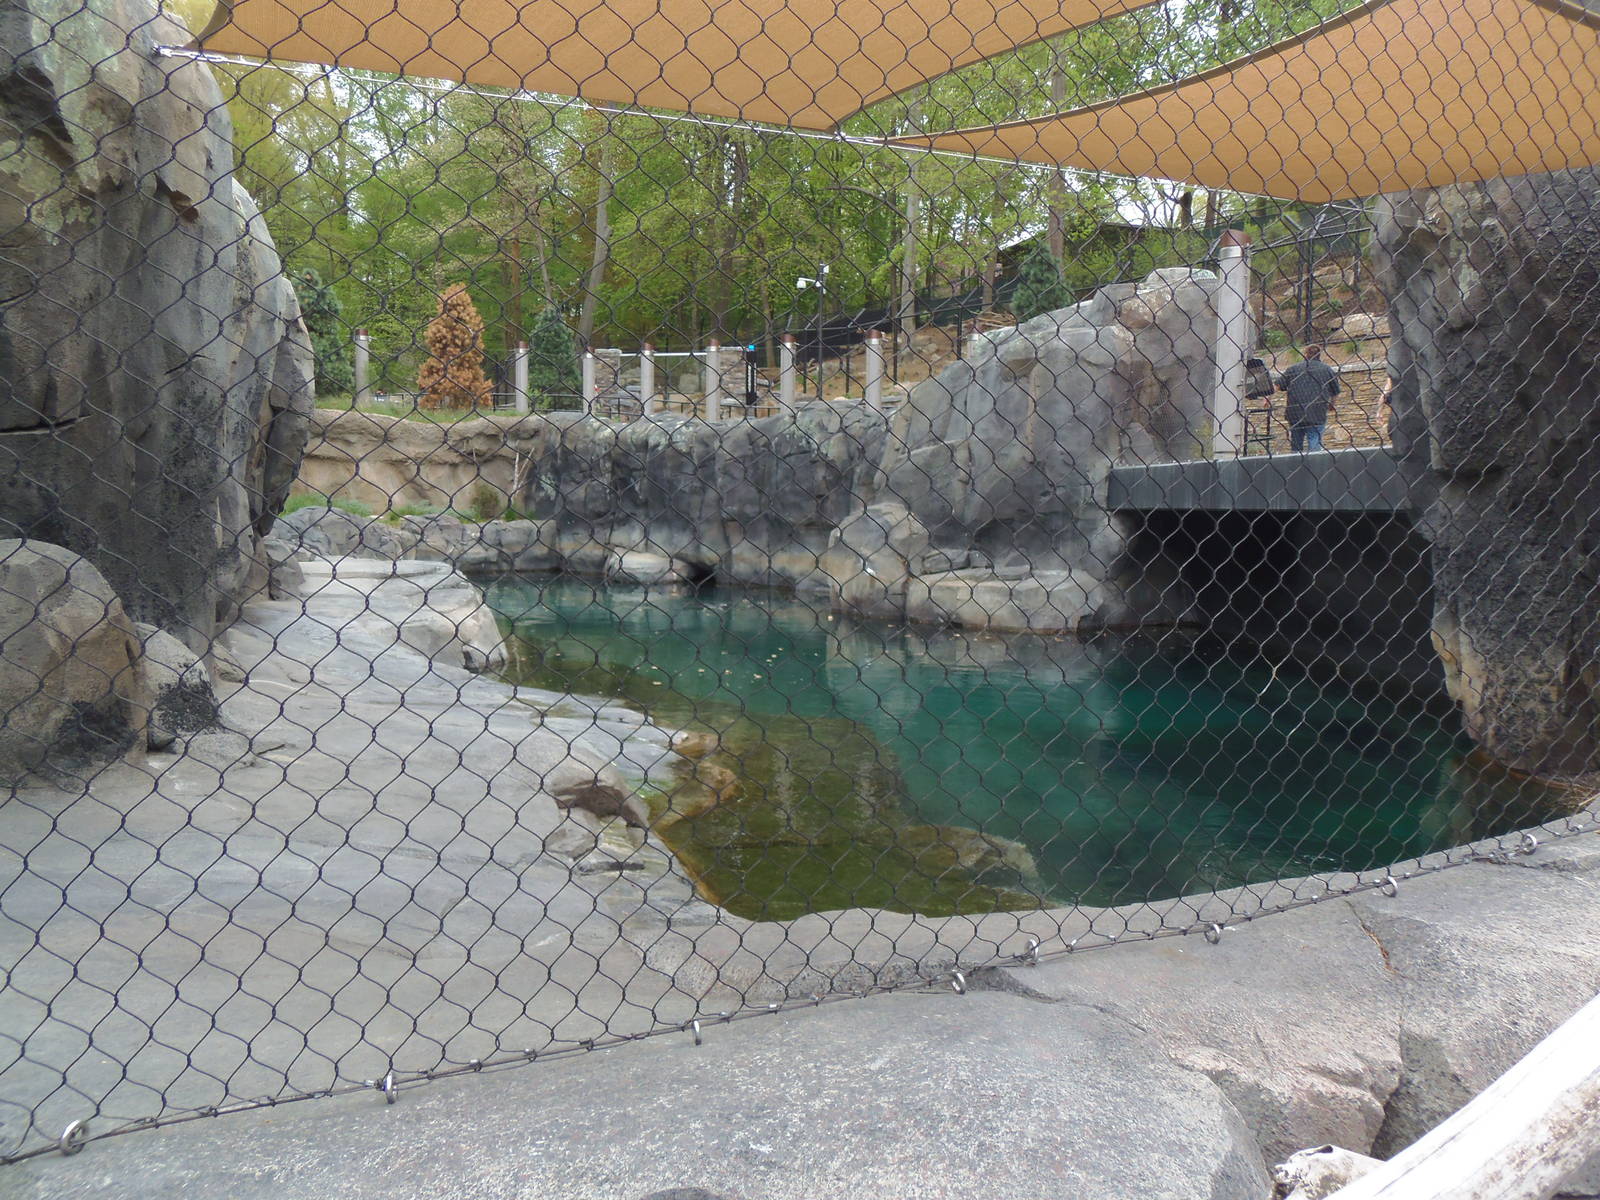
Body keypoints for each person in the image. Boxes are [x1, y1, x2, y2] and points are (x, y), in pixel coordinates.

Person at [1275, 345, 1340, 452]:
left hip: (1295, 413)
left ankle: (1295, 465)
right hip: (1317, 413)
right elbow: (1335, 391)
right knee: (1314, 440)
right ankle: (1314, 466)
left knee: (1296, 443)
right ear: (1319, 355)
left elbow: (1277, 385)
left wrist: (1266, 398)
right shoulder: (1327, 369)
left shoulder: (1293, 369)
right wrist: (1332, 404)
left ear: (1305, 354)